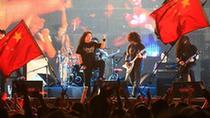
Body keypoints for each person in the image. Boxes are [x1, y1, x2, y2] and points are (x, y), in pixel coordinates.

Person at [76, 31, 106, 98]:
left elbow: (102, 46)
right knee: (87, 82)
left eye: (90, 36)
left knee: (102, 62)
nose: (89, 38)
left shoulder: (93, 43)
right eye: (88, 36)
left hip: (93, 62)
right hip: (86, 65)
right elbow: (78, 55)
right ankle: (88, 96)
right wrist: (81, 64)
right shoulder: (81, 45)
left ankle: (100, 77)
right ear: (84, 37)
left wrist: (104, 39)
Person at [124, 32, 145, 97]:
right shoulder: (130, 46)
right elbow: (127, 55)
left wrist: (141, 56)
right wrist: (126, 61)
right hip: (130, 65)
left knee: (136, 79)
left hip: (138, 64)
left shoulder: (141, 46)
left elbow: (145, 55)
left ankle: (134, 95)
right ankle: (140, 93)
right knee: (132, 80)